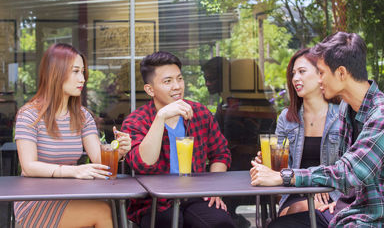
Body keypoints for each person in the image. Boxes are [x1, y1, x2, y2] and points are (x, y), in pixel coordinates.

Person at [250, 32, 384, 227]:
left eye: (321, 72)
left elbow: (348, 172)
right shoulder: (348, 109)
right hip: (347, 211)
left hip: (373, 219)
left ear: (341, 73)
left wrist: (284, 176)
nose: (319, 80)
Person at [14, 43, 132, 228]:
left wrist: (119, 150)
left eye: (83, 72)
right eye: (76, 71)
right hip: (36, 201)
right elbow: (29, 166)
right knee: (101, 211)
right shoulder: (29, 114)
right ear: (56, 72)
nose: (82, 78)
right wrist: (74, 171)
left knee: (108, 207)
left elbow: (99, 158)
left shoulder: (82, 115)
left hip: (69, 195)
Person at [121, 51, 236, 228]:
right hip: (155, 203)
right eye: (168, 81)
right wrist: (160, 117)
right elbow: (143, 164)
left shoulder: (199, 113)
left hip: (196, 196)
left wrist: (214, 189)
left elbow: (220, 153)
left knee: (221, 222)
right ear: (150, 89)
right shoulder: (136, 121)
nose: (177, 86)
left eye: (179, 79)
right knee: (166, 223)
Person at [254, 48, 342, 220]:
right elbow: (278, 169)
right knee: (296, 210)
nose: (295, 78)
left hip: (332, 194)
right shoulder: (287, 118)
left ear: (320, 75)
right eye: (293, 73)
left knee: (293, 216)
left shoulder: (342, 116)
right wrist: (266, 163)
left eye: (302, 72)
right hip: (294, 192)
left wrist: (320, 188)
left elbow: (348, 169)